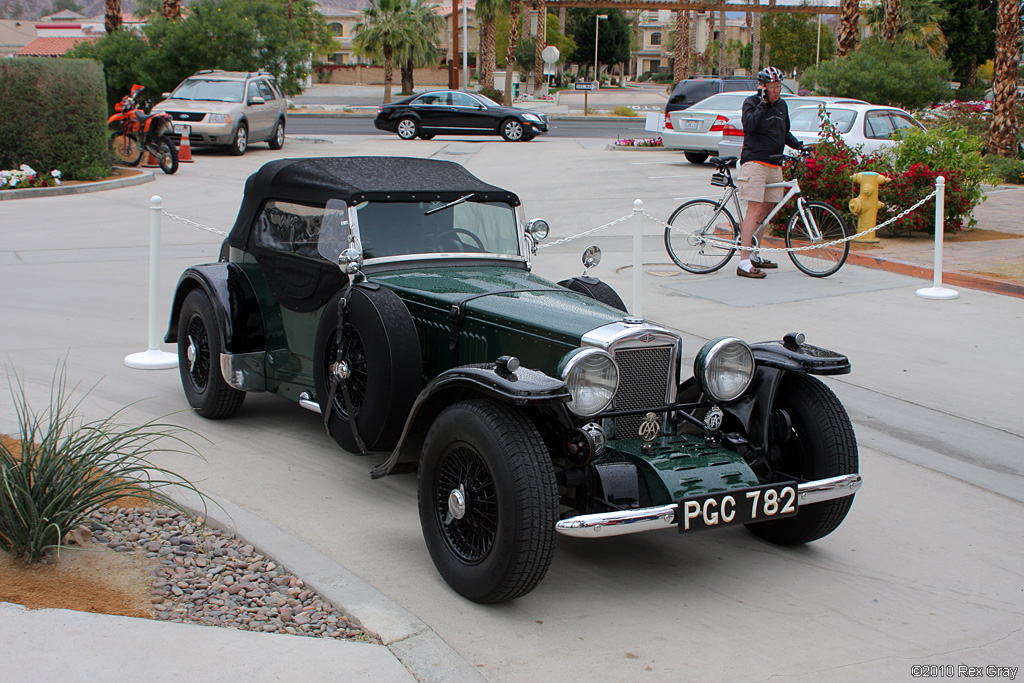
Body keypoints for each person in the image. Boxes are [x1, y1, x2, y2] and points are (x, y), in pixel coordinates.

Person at [735, 66, 803, 278]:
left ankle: (755, 254)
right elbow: (749, 126)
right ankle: (744, 261)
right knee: (754, 210)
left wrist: (800, 146)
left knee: (766, 211)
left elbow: (784, 132)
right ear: (762, 87)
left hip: (775, 165)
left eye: (779, 87)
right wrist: (763, 104)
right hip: (755, 163)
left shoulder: (782, 105)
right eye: (772, 87)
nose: (776, 91)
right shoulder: (752, 104)